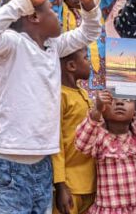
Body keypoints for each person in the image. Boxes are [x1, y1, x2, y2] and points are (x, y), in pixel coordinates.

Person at [0, 0, 101, 212]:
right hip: (8, 161)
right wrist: (25, 0)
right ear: (33, 17)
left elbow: (90, 32)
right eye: (52, 11)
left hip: (43, 161)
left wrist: (88, 6)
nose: (58, 15)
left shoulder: (54, 47)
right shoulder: (12, 45)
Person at [75, 80, 136, 213]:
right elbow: (82, 144)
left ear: (135, 113)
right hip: (113, 208)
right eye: (112, 100)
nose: (120, 102)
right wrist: (96, 110)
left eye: (127, 99)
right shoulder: (99, 138)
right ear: (103, 111)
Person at [52, 49, 97, 214]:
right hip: (70, 185)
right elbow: (56, 144)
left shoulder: (82, 93)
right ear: (71, 65)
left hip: (90, 182)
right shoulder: (59, 96)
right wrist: (60, 184)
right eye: (86, 59)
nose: (91, 64)